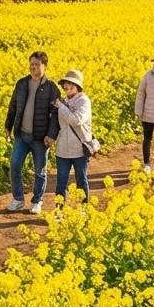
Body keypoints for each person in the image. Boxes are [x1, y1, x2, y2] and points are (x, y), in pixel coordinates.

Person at [4, 51, 60, 214]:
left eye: (36, 64)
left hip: (40, 138)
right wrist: (8, 125)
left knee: (40, 171)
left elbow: (55, 114)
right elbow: (13, 105)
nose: (33, 67)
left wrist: (51, 135)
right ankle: (18, 199)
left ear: (44, 66)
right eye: (31, 64)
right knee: (14, 165)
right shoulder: (22, 83)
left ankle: (37, 201)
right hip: (22, 135)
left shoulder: (51, 88)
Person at [52, 69, 93, 205]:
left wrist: (61, 107)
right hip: (62, 149)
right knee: (61, 182)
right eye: (66, 84)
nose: (67, 87)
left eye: (71, 84)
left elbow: (76, 120)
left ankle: (84, 209)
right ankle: (59, 211)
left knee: (81, 179)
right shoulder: (62, 101)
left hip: (79, 149)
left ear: (78, 86)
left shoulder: (84, 101)